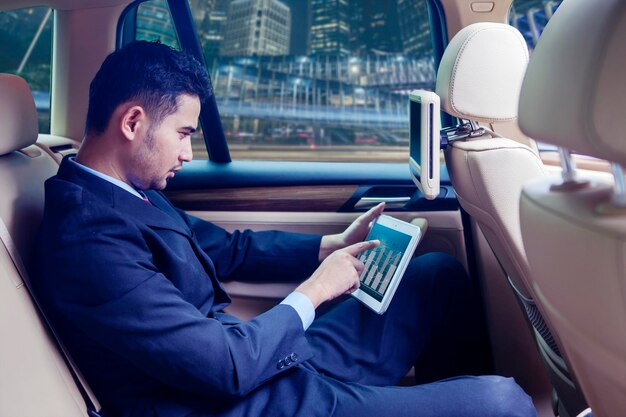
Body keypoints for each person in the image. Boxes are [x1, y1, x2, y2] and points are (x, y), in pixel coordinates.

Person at [32, 41, 536, 417]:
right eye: (184, 133)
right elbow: (225, 368)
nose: (188, 153)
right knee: (503, 402)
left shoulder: (127, 192)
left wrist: (330, 247)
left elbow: (228, 250)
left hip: (262, 362)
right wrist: (315, 292)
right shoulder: (86, 239)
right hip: (236, 400)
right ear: (133, 122)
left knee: (436, 278)